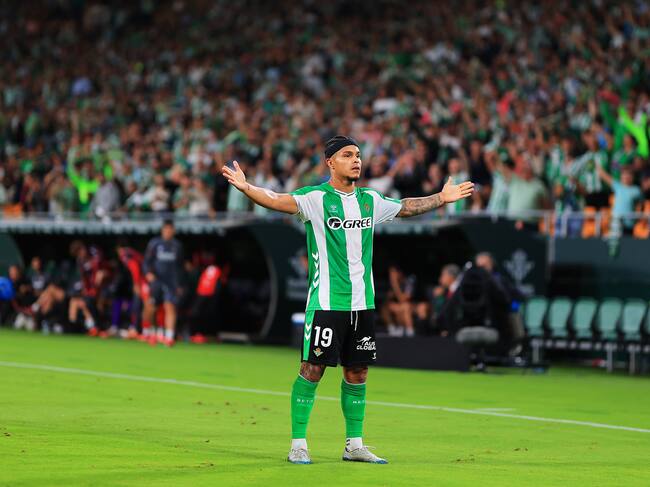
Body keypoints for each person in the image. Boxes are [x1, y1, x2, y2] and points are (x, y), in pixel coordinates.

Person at [222, 135, 474, 465]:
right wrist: (247, 188)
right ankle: (298, 444)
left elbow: (405, 207)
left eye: (358, 154)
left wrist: (441, 197)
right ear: (331, 162)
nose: (356, 160)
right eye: (347, 155)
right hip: (327, 303)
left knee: (357, 372)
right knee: (312, 369)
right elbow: (276, 199)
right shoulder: (315, 198)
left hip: (362, 303)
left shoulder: (369, 199)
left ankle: (354, 444)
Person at [143, 219, 184, 346]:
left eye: (170, 229)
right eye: (166, 229)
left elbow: (180, 266)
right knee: (152, 307)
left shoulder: (177, 246)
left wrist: (179, 284)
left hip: (171, 282)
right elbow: (146, 262)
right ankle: (151, 332)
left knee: (170, 306)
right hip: (157, 280)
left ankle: (169, 337)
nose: (168, 231)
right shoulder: (155, 243)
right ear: (162, 230)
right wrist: (148, 273)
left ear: (173, 231)